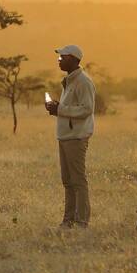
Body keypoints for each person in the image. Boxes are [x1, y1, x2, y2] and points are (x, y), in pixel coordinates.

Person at [44, 43, 96, 228]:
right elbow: (71, 108)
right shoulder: (70, 80)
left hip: (76, 136)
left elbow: (87, 109)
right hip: (65, 136)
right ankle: (69, 220)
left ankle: (82, 221)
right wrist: (57, 108)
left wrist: (61, 109)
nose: (58, 61)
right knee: (68, 181)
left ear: (73, 60)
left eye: (62, 58)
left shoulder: (83, 81)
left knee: (78, 180)